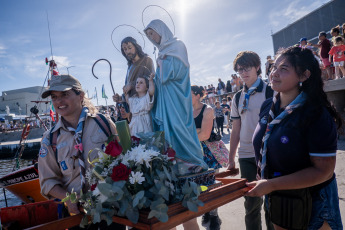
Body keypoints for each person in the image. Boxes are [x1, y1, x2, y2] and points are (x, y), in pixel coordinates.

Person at [248, 46, 343, 230]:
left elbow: (323, 171)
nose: (274, 73)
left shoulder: (315, 113)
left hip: (314, 204)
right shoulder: (268, 106)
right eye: (274, 67)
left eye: (283, 69)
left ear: (304, 75)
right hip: (280, 200)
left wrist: (271, 184)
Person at [38, 74, 125, 229]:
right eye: (54, 97)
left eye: (64, 94)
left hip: (112, 210)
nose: (59, 101)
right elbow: (47, 182)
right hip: (77, 216)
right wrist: (68, 198)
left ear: (81, 96)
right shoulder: (49, 139)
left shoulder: (103, 123)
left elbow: (123, 159)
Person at [144, 19, 208, 177]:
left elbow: (180, 71)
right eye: (149, 36)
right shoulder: (162, 52)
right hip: (165, 99)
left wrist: (162, 64)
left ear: (161, 30)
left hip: (177, 96)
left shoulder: (177, 45)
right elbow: (161, 79)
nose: (152, 38)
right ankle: (175, 163)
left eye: (153, 33)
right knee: (169, 129)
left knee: (180, 127)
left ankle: (193, 162)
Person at [227, 51, 274, 230]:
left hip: (269, 154)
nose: (243, 73)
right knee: (251, 205)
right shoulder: (237, 97)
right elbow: (236, 129)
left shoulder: (271, 91)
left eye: (247, 68)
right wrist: (231, 158)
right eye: (240, 70)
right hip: (246, 155)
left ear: (257, 67)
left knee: (271, 204)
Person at [191, 85, 222, 230]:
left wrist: (191, 134)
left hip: (209, 154)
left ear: (198, 95)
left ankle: (214, 216)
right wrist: (197, 131)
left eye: (189, 94)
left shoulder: (207, 110)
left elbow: (205, 135)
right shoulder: (187, 112)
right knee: (200, 188)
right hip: (194, 153)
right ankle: (207, 211)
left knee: (212, 187)